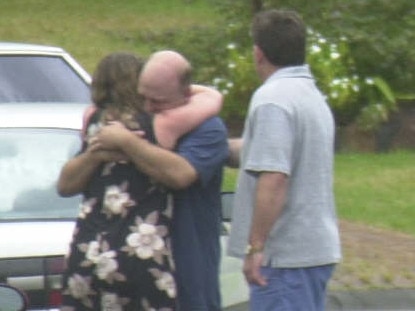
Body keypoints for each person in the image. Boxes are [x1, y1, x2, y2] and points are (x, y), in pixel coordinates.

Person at [58, 51, 223, 310]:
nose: (148, 106)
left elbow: (64, 186)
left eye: (155, 99)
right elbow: (212, 99)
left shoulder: (96, 122)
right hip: (140, 258)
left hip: (88, 255)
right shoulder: (161, 124)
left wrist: (113, 145)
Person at [227, 9, 342, 311]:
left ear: (258, 53)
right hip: (313, 251)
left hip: (285, 258)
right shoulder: (309, 95)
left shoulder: (273, 100)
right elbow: (263, 152)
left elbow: (275, 176)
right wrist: (214, 150)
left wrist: (256, 247)